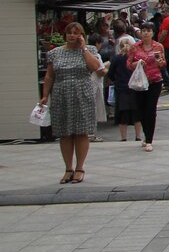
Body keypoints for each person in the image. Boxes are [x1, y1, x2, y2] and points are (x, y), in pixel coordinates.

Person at [41, 22, 103, 184]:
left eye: (76, 33)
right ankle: (68, 168)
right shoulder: (55, 53)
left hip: (82, 93)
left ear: (82, 35)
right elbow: (50, 76)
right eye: (69, 32)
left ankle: (80, 167)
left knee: (81, 131)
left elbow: (95, 67)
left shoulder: (90, 50)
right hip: (61, 94)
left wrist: (83, 48)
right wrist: (45, 95)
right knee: (65, 132)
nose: (72, 35)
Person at [128, 23, 166, 152]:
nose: (145, 33)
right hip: (139, 82)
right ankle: (146, 134)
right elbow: (128, 64)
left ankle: (149, 139)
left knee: (151, 109)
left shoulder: (158, 46)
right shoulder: (134, 47)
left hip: (154, 81)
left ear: (153, 33)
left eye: (148, 31)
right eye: (143, 30)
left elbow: (163, 63)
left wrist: (160, 63)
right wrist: (137, 63)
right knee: (140, 110)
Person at [109, 35, 141, 141]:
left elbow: (110, 74)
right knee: (136, 114)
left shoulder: (116, 59)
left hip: (121, 89)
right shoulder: (135, 58)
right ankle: (138, 136)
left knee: (123, 115)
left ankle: (123, 138)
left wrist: (116, 80)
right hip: (135, 88)